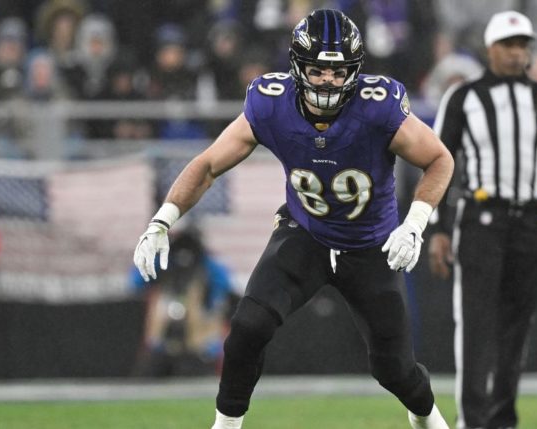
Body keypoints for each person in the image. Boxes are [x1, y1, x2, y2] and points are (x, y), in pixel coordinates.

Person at [133, 9, 454, 429]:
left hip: (371, 244)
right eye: (317, 69)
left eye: (338, 72)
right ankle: (225, 427)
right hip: (307, 233)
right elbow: (210, 164)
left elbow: (438, 159)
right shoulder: (271, 103)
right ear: (297, 66)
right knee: (248, 326)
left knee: (394, 369)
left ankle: (427, 418)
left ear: (354, 72)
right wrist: (162, 221)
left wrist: (414, 223)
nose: (327, 81)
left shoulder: (378, 108)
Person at [428, 11, 537, 429]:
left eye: (523, 46)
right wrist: (439, 228)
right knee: (476, 325)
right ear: (491, 49)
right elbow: (440, 164)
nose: (518, 54)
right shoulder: (464, 98)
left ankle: (503, 418)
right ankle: (472, 421)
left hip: (531, 222)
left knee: (517, 327)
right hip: (481, 218)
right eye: (509, 45)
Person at [132, 224, 235, 377]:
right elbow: (136, 282)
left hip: (199, 344)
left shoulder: (210, 268)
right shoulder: (163, 263)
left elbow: (222, 293)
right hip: (161, 341)